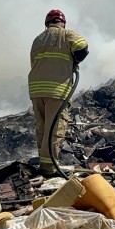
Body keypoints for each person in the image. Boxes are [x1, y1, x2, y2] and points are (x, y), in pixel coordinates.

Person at [28, 9, 89, 175]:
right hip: (57, 90)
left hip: (36, 90)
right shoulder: (67, 34)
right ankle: (49, 168)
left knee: (41, 128)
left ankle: (43, 163)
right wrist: (74, 60)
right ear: (62, 23)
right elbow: (82, 47)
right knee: (54, 130)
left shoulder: (37, 39)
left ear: (47, 23)